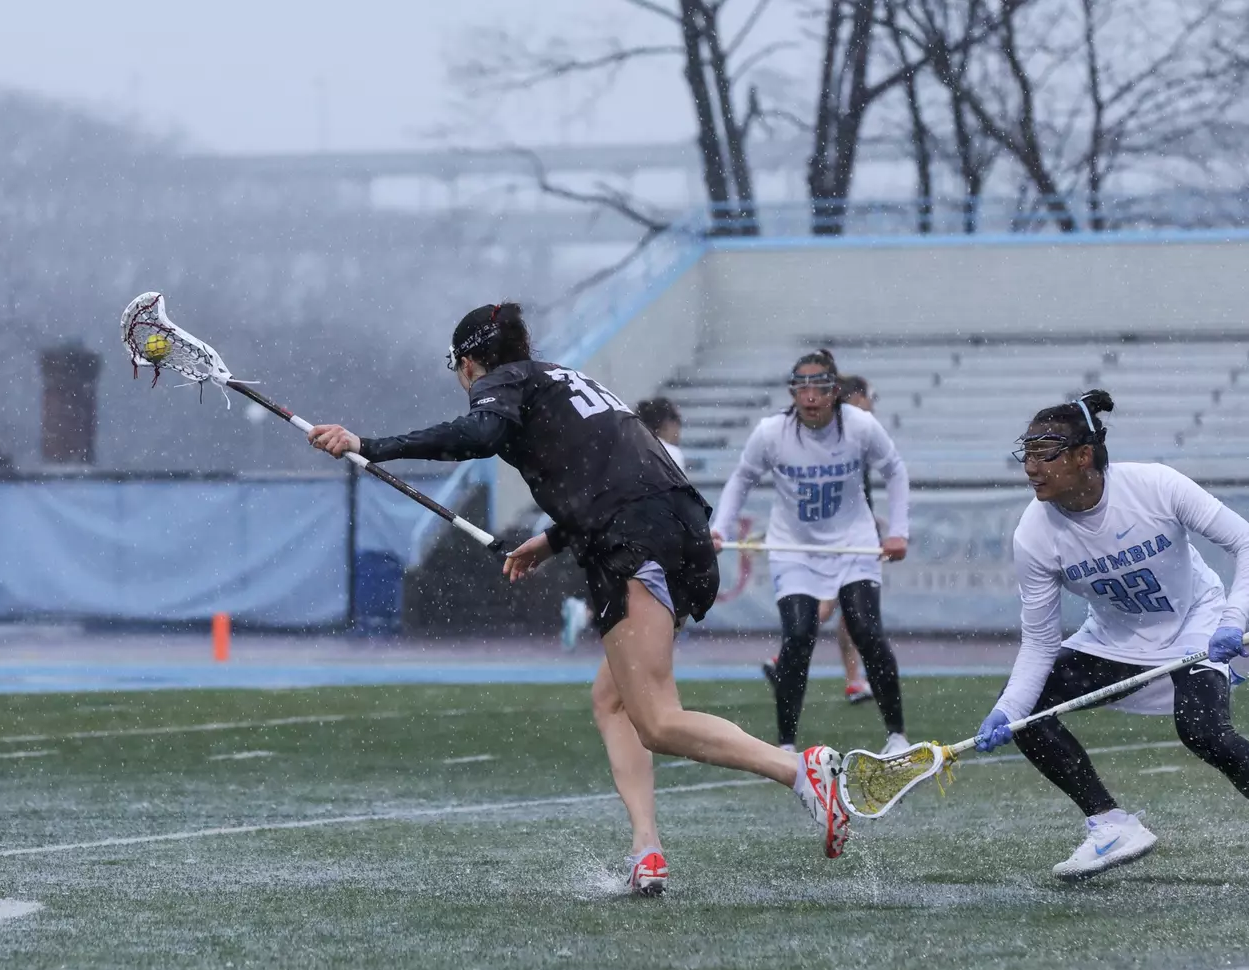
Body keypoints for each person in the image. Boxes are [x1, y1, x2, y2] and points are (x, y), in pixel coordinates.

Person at [307, 303, 852, 893]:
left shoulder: (503, 382)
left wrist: (370, 445)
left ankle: (800, 772)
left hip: (631, 540)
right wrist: (552, 538)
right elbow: (618, 466)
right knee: (612, 701)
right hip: (678, 526)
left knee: (659, 722)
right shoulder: (563, 378)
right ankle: (646, 849)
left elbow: (480, 434)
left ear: (469, 364)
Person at [973, 389, 1249, 880]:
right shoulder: (1034, 535)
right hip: (1112, 639)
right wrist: (1010, 710)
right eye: (1028, 454)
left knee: (1203, 733)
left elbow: (1248, 542)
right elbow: (1041, 642)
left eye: (1046, 454)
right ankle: (1110, 824)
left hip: (1197, 622)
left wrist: (1234, 618)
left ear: (1084, 456)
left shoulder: (1155, 485)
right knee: (1028, 715)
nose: (1031, 468)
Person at [710, 350, 912, 757]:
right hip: (794, 549)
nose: (811, 397)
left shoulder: (860, 426)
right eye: (801, 388)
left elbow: (895, 469)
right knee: (799, 635)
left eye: (819, 387)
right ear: (792, 393)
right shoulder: (771, 432)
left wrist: (899, 531)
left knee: (866, 630)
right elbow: (742, 478)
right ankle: (785, 745)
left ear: (835, 391)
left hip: (853, 542)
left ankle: (896, 736)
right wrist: (719, 528)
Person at [762, 374, 877, 705]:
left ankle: (853, 679)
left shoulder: (855, 431)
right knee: (832, 603)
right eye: (870, 396)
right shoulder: (839, 431)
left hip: (848, 531)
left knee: (846, 611)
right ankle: (786, 658)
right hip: (841, 535)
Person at [562, 397, 687, 649]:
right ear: (664, 424)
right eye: (677, 424)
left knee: (627, 606)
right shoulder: (670, 453)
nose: (679, 432)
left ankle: (587, 613)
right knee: (651, 615)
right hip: (649, 543)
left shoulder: (623, 447)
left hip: (614, 534)